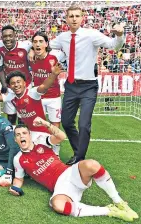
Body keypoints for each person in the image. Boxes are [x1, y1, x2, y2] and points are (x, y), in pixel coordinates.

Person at [9, 116, 138, 222]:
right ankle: (109, 210)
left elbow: (61, 136)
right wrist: (15, 188)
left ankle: (119, 202)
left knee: (91, 164)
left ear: (30, 135)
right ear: (15, 140)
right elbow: (18, 179)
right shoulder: (18, 159)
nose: (22, 136)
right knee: (58, 205)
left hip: (70, 172)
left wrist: (45, 123)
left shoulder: (42, 142)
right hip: (60, 187)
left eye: (24, 133)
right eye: (18, 135)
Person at [48, 4, 125, 165]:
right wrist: (34, 50)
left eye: (77, 16)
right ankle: (79, 152)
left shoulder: (92, 35)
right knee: (67, 122)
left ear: (82, 18)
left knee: (84, 124)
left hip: (88, 86)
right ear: (66, 19)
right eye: (71, 16)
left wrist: (119, 36)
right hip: (70, 86)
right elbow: (48, 46)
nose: (74, 19)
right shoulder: (62, 37)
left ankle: (79, 157)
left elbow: (113, 45)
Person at [0, 68, 62, 154]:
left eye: (18, 82)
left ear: (24, 83)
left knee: (40, 156)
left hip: (42, 132)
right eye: (13, 83)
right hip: (27, 133)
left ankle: (55, 153)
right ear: (10, 86)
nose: (16, 85)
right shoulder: (12, 96)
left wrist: (53, 74)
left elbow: (44, 86)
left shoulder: (32, 93)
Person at [29, 32, 66, 155]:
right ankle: (38, 151)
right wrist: (30, 50)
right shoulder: (31, 58)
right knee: (37, 125)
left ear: (46, 44)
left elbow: (69, 51)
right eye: (35, 42)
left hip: (53, 97)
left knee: (54, 125)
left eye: (41, 41)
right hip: (38, 97)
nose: (38, 44)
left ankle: (55, 153)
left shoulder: (54, 57)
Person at [0, 25, 32, 125]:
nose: (8, 39)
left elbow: (41, 46)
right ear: (1, 37)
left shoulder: (26, 45)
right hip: (10, 87)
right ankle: (11, 139)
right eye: (5, 36)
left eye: (10, 36)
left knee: (23, 118)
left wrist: (32, 50)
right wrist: (4, 84)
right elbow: (0, 68)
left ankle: (23, 139)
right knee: (11, 117)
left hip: (25, 86)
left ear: (15, 35)